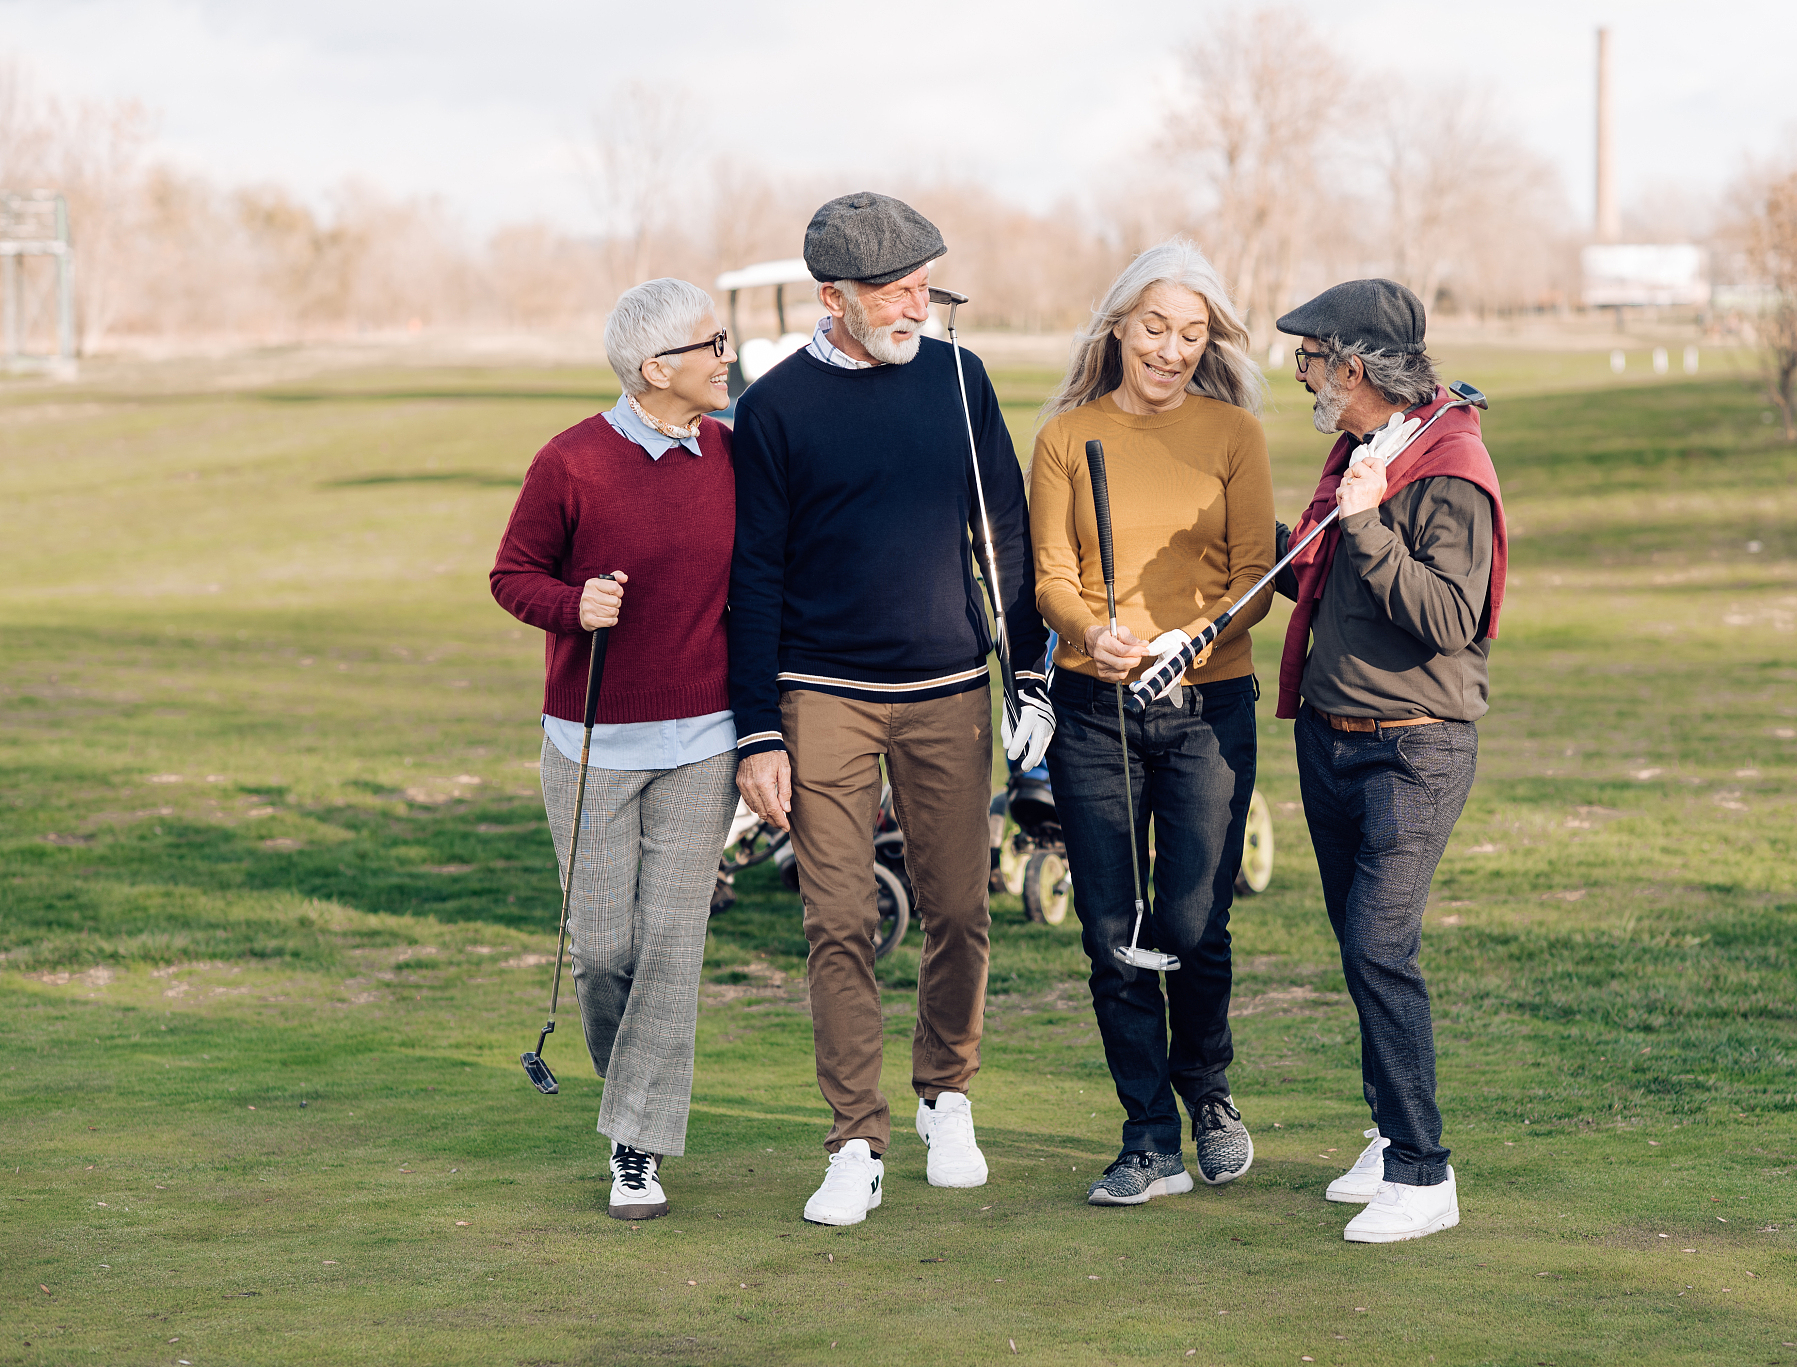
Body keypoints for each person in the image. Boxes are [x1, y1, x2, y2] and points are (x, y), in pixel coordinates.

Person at [727, 192, 1054, 1226]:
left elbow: (1004, 532)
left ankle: (944, 1094)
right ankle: (854, 1138)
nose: (920, 304)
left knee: (958, 905)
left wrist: (1030, 675)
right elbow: (755, 577)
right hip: (821, 693)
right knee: (840, 918)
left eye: (926, 283)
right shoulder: (775, 409)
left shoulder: (958, 381)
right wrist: (756, 727)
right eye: (897, 290)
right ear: (835, 297)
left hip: (947, 685)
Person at [489, 278, 742, 1221]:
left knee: (672, 945)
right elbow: (512, 573)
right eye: (711, 344)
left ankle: (636, 1142)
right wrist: (571, 603)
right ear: (656, 367)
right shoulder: (572, 463)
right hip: (591, 741)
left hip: (704, 742)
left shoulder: (733, 452)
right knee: (603, 949)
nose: (727, 356)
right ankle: (631, 1089)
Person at [1029, 238, 1275, 1206]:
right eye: (1154, 329)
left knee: (1190, 919)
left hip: (1208, 704)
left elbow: (1253, 572)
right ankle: (1146, 1136)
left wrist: (1187, 635)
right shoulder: (1062, 437)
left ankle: (1206, 1088)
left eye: (1191, 333)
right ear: (1119, 325)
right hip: (1097, 710)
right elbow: (1048, 576)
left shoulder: (1233, 435)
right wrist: (1093, 628)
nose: (1170, 350)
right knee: (1110, 926)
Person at [1269, 279, 1508, 1243]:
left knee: (1379, 945)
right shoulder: (1363, 451)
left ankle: (1423, 1168)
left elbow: (1451, 618)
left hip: (1415, 747)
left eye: (1309, 359)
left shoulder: (1449, 465)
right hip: (1330, 738)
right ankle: (1384, 1129)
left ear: (1354, 366)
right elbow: (1334, 588)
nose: (1303, 377)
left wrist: (1365, 524)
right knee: (1360, 950)